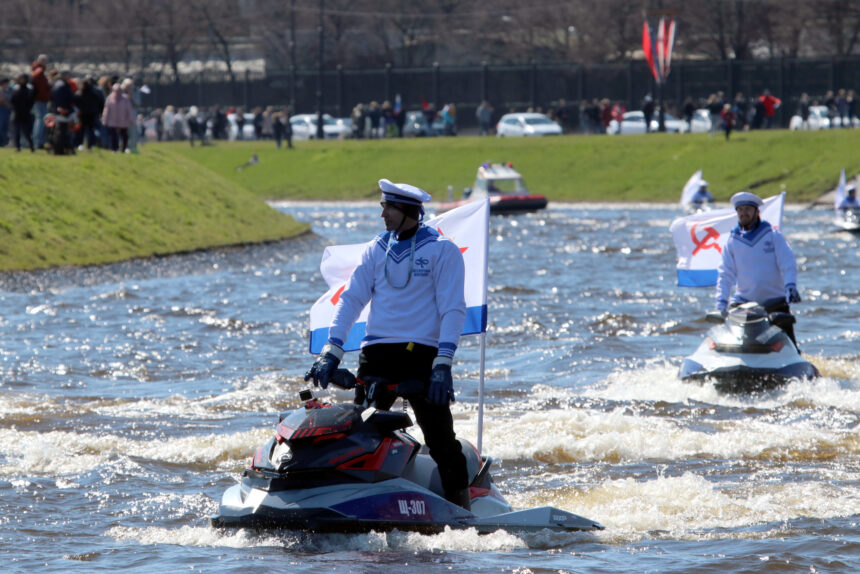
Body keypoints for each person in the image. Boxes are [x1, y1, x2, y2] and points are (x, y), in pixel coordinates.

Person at [305, 179, 471, 511]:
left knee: (441, 442)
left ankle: (462, 512)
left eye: (388, 207)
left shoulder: (442, 250)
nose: (382, 213)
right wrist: (331, 351)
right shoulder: (376, 248)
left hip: (422, 357)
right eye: (382, 206)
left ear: (408, 211)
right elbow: (351, 301)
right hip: (376, 356)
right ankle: (349, 503)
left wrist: (443, 365)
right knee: (358, 436)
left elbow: (453, 309)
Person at [716, 191, 802, 350]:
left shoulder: (772, 235)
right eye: (740, 210)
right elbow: (725, 274)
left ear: (757, 211)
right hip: (743, 303)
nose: (744, 213)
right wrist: (721, 303)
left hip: (775, 303)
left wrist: (790, 285)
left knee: (791, 348)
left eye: (748, 209)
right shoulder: (731, 241)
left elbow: (788, 262)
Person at [9, 74, 35, 152]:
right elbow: (12, 101)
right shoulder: (16, 89)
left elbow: (31, 102)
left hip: (25, 113)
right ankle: (17, 147)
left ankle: (31, 146)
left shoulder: (29, 90)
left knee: (26, 132)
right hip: (16, 113)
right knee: (16, 132)